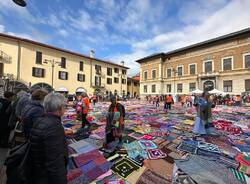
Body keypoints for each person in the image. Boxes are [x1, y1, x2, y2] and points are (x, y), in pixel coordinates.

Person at [30, 93, 68, 184]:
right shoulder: (54, 126)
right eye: (64, 106)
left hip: (39, 169)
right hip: (46, 176)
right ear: (60, 108)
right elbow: (55, 160)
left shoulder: (41, 119)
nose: (65, 108)